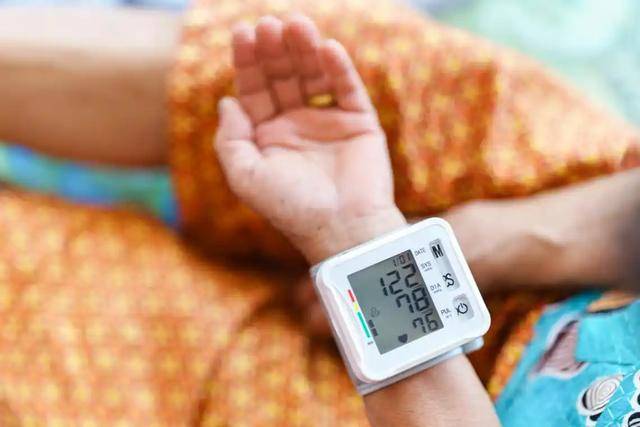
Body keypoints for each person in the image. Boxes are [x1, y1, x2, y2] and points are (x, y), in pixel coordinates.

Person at [0, 4, 639, 426]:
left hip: (422, 406)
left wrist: (363, 242)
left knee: (57, 319)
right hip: (571, 234)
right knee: (336, 71)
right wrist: (508, 236)